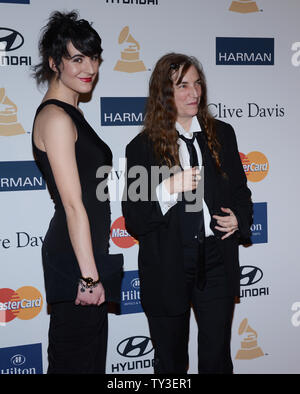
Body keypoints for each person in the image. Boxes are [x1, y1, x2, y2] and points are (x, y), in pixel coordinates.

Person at [122, 53, 253, 374]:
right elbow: (135, 219)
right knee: (170, 364)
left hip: (216, 258)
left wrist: (239, 218)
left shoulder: (222, 133)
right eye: (183, 85)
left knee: (216, 358)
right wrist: (168, 189)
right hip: (167, 263)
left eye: (197, 84)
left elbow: (241, 192)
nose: (194, 93)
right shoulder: (141, 147)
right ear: (163, 92)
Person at [32, 11, 112, 374]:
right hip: (75, 260)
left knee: (90, 362)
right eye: (77, 58)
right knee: (73, 362)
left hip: (86, 254)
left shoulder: (71, 113)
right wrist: (90, 277)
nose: (89, 67)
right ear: (54, 62)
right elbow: (73, 205)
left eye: (93, 58)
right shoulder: (57, 118)